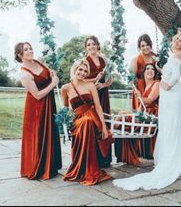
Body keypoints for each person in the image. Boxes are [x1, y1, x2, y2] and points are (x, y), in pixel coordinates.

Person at [113, 27, 181, 190]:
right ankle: (171, 161)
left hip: (172, 95)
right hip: (167, 96)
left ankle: (174, 164)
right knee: (167, 128)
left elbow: (176, 75)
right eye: (177, 39)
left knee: (172, 129)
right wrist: (159, 70)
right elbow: (169, 71)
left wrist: (168, 84)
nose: (179, 42)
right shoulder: (173, 56)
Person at [14, 42, 62, 180]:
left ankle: (51, 165)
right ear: (20, 54)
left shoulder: (38, 62)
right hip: (37, 107)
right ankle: (38, 167)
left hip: (49, 103)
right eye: (26, 50)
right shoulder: (24, 74)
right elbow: (37, 95)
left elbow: (49, 73)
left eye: (30, 48)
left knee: (50, 132)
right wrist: (53, 84)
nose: (30, 51)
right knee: (39, 134)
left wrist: (52, 75)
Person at [61, 60, 113, 186]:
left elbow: (98, 107)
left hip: (93, 118)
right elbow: (66, 110)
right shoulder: (66, 88)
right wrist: (66, 125)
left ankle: (90, 169)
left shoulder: (90, 86)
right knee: (85, 122)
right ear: (74, 69)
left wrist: (105, 128)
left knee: (88, 121)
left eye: (85, 71)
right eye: (80, 70)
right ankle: (83, 169)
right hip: (78, 119)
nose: (83, 73)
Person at [116, 34, 159, 164]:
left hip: (151, 93)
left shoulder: (156, 58)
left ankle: (150, 151)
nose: (145, 48)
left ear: (151, 44)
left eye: (147, 45)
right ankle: (136, 150)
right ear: (139, 47)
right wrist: (137, 91)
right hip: (140, 88)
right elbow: (131, 77)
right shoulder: (136, 59)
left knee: (139, 118)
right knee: (132, 117)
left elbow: (161, 73)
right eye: (142, 46)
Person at [84, 35, 112, 167]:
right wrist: (95, 78)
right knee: (96, 123)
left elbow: (110, 79)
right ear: (86, 48)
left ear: (98, 45)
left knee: (105, 121)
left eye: (93, 44)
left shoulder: (103, 60)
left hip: (103, 94)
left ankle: (105, 158)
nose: (91, 47)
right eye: (88, 45)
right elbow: (81, 80)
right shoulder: (85, 62)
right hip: (91, 95)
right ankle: (95, 158)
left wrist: (103, 85)